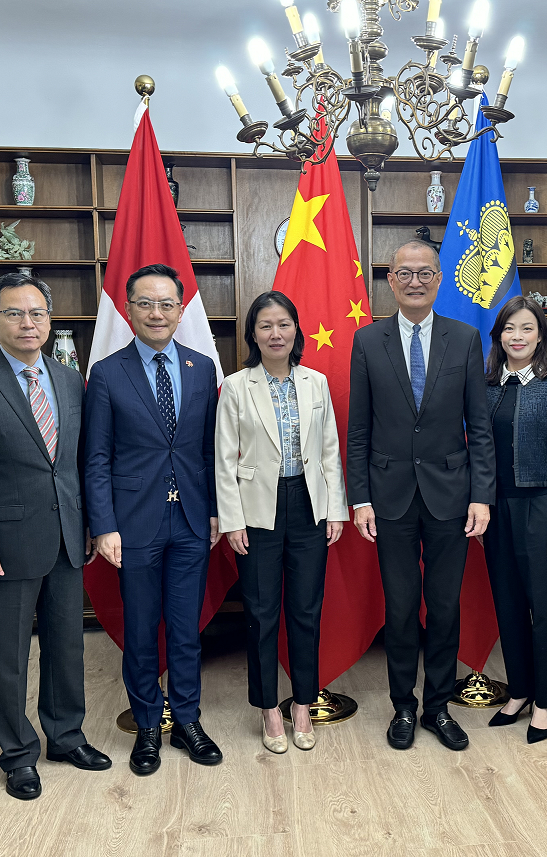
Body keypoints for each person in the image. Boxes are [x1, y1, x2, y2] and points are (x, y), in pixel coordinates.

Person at [0, 272, 111, 802]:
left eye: (36, 313)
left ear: (49, 320)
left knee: (67, 645)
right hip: (6, 544)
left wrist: (86, 523)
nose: (27, 323)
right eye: (14, 313)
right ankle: (17, 754)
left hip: (65, 535)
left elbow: (76, 464)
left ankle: (65, 736)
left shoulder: (67, 379)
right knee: (10, 655)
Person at [347, 239, 496, 752]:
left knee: (445, 604)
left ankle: (438, 707)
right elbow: (359, 430)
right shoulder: (367, 342)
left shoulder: (465, 338)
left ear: (439, 279)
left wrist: (482, 495)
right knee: (402, 606)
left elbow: (478, 424)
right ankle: (403, 707)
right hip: (389, 496)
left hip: (452, 496)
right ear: (390, 279)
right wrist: (359, 498)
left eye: (425, 272)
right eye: (404, 272)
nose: (415, 281)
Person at [85, 263, 222, 774]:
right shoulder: (107, 373)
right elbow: (96, 458)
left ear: (180, 310)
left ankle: (187, 721)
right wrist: (104, 525)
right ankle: (148, 725)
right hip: (132, 524)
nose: (157, 313)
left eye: (167, 304)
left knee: (185, 630)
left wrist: (212, 511)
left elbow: (208, 451)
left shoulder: (201, 367)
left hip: (190, 521)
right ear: (128, 309)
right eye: (146, 303)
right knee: (141, 630)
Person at [215, 291, 347, 754]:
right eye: (266, 325)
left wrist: (336, 509)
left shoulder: (315, 382)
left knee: (306, 609)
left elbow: (329, 449)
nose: (276, 333)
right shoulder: (236, 386)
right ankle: (269, 707)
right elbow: (224, 460)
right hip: (257, 510)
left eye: (284, 324)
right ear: (253, 334)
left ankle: (303, 704)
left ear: (296, 330)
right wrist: (232, 520)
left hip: (309, 505)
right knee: (261, 611)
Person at [482, 295, 547, 744]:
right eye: (508, 329)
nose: (516, 337)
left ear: (540, 335)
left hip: (544, 509)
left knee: (544, 610)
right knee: (507, 604)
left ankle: (546, 701)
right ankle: (519, 690)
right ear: (498, 336)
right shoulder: (487, 385)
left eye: (525, 329)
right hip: (496, 509)